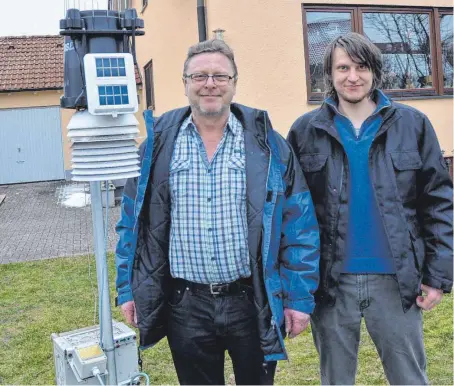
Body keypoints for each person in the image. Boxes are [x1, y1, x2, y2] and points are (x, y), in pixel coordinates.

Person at [115, 38, 320, 385]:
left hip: (250, 300)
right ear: (185, 84)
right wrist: (127, 288)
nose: (210, 83)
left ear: (234, 83)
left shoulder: (267, 145)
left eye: (220, 76)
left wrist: (298, 298)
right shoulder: (157, 146)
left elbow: (298, 224)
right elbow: (131, 224)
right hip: (186, 304)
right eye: (199, 76)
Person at [287, 32, 453, 385]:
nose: (352, 76)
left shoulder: (413, 125)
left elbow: (438, 202)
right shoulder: (305, 131)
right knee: (336, 379)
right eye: (343, 67)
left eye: (361, 67)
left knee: (409, 378)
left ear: (374, 72)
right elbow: (292, 213)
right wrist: (294, 284)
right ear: (329, 74)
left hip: (397, 280)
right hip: (331, 283)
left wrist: (436, 276)